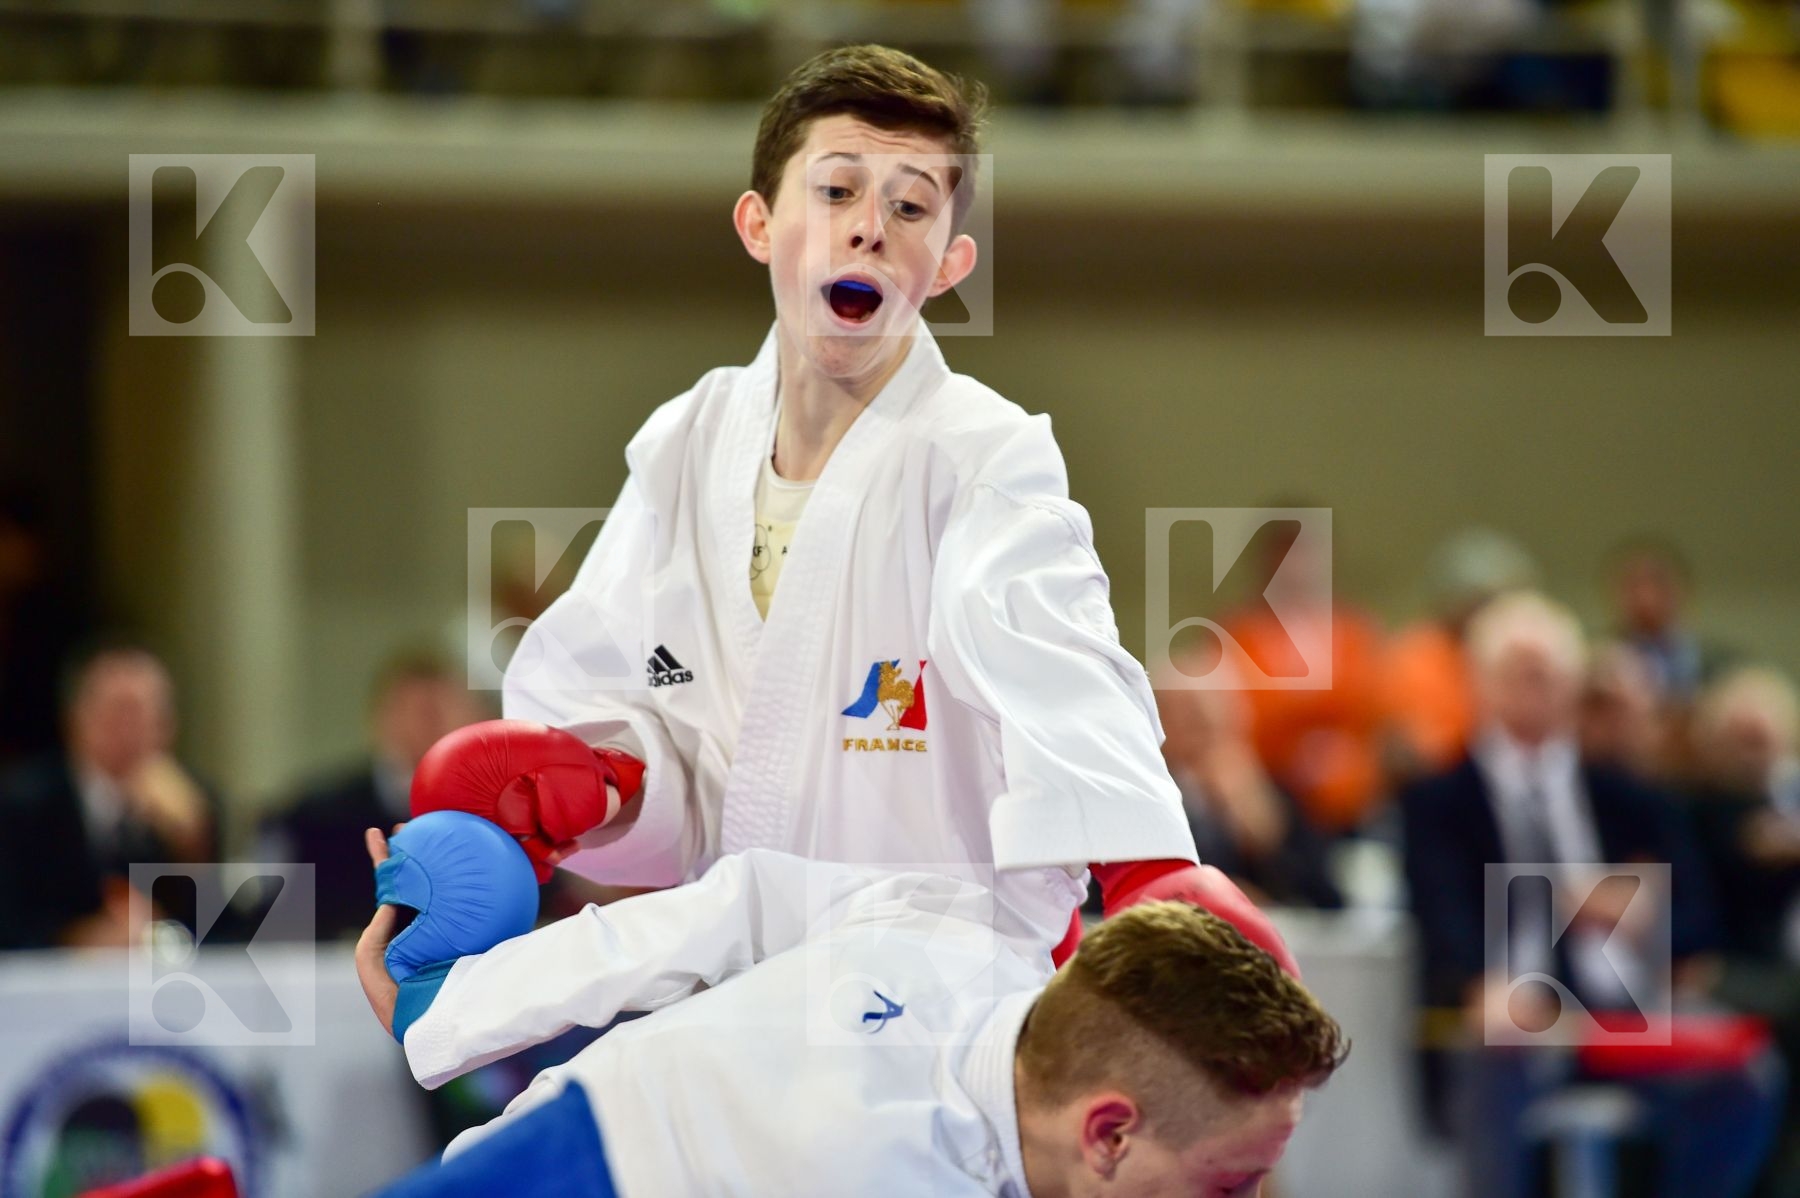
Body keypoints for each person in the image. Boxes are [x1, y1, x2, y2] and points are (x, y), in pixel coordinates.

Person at [464, 43, 1234, 986]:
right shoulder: (685, 441)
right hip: (734, 989)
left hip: (938, 1000)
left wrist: (1148, 869)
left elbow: (1057, 658)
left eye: (910, 207)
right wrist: (611, 789)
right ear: (757, 224)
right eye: (836, 191)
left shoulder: (983, 453)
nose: (871, 227)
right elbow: (614, 694)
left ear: (950, 263)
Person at [358, 846, 1347, 1197]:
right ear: (1110, 1132)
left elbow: (732, 905)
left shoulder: (962, 930)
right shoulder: (876, 1166)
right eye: (1228, 1187)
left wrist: (461, 1008)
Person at [1400, 592, 1776, 1198]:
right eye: (1515, 671)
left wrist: (1646, 919)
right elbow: (1441, 923)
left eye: (1546, 672)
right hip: (1508, 1023)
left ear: (1573, 685)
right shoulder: (1439, 802)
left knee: (1746, 1076)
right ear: (1481, 684)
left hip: (1627, 1014)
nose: (1532, 687)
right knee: (1501, 1050)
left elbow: (1701, 923)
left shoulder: (1631, 799)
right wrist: (1480, 987)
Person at [0, 640, 220, 949]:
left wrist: (192, 849)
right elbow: (12, 923)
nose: (131, 730)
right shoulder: (21, 804)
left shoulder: (196, 804)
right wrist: (78, 941)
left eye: (147, 713)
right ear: (75, 718)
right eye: (119, 711)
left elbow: (224, 933)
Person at [262, 650, 487, 942]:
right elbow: (279, 919)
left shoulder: (497, 814)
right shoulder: (317, 815)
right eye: (414, 710)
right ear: (380, 717)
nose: (428, 724)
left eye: (441, 709)